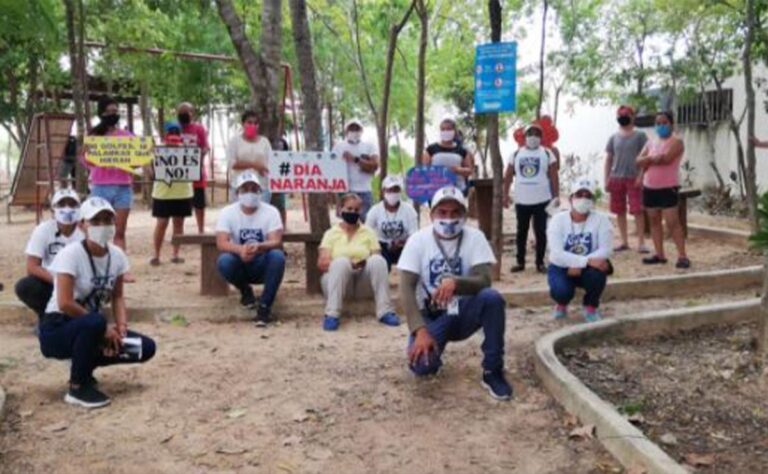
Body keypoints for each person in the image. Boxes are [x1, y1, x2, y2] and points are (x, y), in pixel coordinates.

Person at [39, 196, 156, 408]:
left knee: (144, 347)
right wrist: (104, 329)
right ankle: (77, 387)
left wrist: (121, 327)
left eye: (108, 220)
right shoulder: (70, 254)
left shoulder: (117, 256)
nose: (102, 226)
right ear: (82, 225)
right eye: (95, 221)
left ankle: (82, 364)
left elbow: (117, 296)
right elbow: (64, 302)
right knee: (95, 321)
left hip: (92, 328)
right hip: (58, 327)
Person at [398, 186, 512, 401]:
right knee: (422, 367)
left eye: (455, 213)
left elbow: (484, 279)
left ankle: (493, 370)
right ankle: (434, 351)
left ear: (464, 215)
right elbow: (405, 288)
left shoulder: (475, 237)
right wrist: (419, 330)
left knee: (492, 299)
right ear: (432, 214)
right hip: (431, 314)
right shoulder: (418, 240)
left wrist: (456, 283)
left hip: (462, 310)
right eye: (442, 212)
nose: (448, 219)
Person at [318, 193, 400, 331]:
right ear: (341, 209)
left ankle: (385, 311)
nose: (352, 212)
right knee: (341, 262)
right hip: (338, 282)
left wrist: (362, 263)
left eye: (356, 210)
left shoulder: (369, 232)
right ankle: (332, 314)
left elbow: (376, 259)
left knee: (378, 260)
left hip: (362, 281)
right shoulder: (331, 233)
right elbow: (322, 264)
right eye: (349, 209)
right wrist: (346, 264)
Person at [216, 170, 285, 327]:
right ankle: (245, 291)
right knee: (224, 261)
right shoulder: (227, 212)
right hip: (240, 261)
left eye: (254, 189)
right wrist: (240, 250)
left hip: (263, 261)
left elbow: (276, 241)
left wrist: (260, 246)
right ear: (237, 193)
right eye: (245, 189)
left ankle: (265, 307)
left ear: (260, 192)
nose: (250, 193)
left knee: (277, 257)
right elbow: (221, 242)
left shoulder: (271, 212)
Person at [547, 179, 613, 323]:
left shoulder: (602, 220)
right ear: (571, 198)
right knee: (561, 291)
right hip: (562, 266)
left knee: (599, 272)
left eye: (588, 195)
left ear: (593, 200)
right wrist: (583, 261)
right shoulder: (557, 220)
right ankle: (561, 304)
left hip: (589, 268)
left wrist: (581, 264)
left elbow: (606, 249)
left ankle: (590, 306)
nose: (583, 198)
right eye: (579, 194)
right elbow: (557, 253)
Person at [83, 96, 135, 281]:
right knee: (97, 230)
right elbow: (86, 161)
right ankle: (96, 268)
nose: (113, 114)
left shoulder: (127, 136)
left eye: (115, 111)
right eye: (109, 111)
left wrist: (135, 161)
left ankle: (122, 270)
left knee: (119, 232)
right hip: (100, 187)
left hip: (123, 188)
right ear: (101, 113)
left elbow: (136, 160)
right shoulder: (93, 136)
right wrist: (97, 158)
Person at [15, 189, 85, 317]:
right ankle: (47, 316)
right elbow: (32, 266)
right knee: (25, 286)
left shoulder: (86, 231)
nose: (67, 208)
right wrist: (59, 280)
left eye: (72, 204)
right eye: (61, 204)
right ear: (53, 210)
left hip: (80, 282)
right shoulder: (43, 230)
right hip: (52, 280)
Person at [503, 124, 559, 273]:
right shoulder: (516, 154)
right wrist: (505, 194)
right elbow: (507, 175)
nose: (533, 137)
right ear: (525, 137)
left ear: (541, 137)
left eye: (536, 134)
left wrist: (556, 196)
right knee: (521, 231)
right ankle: (520, 262)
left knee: (541, 231)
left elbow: (554, 175)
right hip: (522, 200)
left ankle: (540, 262)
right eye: (530, 134)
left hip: (542, 199)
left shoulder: (547, 153)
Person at [636, 111, 689, 268]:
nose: (661, 126)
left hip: (668, 187)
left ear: (671, 124)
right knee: (654, 221)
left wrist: (648, 160)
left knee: (673, 223)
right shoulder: (651, 142)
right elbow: (638, 160)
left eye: (664, 123)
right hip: (650, 187)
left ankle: (682, 256)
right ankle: (659, 254)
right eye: (658, 123)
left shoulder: (677, 142)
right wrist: (652, 159)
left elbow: (666, 159)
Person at [605, 105, 649, 253]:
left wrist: (641, 176)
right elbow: (609, 159)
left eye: (626, 114)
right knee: (619, 210)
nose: (623, 117)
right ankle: (624, 241)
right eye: (620, 114)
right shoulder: (613, 137)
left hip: (633, 178)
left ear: (632, 116)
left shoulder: (640, 136)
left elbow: (646, 158)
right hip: (616, 178)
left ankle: (641, 243)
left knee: (638, 210)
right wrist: (606, 179)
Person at [150, 122, 192, 266]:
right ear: (165, 134)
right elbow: (150, 169)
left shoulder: (187, 150)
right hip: (162, 193)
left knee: (178, 224)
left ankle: (176, 254)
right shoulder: (157, 150)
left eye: (176, 132)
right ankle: (156, 255)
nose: (173, 135)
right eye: (171, 132)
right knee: (162, 223)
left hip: (182, 193)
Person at [365, 175, 418, 271]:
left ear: (401, 191)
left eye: (396, 190)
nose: (393, 193)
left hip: (403, 245)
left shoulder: (409, 210)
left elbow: (414, 234)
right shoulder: (375, 210)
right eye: (389, 190)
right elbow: (367, 233)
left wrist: (403, 243)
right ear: (383, 191)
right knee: (380, 262)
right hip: (382, 246)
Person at [332, 120, 379, 221]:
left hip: (364, 190)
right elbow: (332, 169)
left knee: (366, 221)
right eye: (351, 129)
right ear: (346, 131)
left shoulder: (369, 146)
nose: (354, 131)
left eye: (357, 129)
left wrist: (355, 159)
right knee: (346, 222)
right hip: (345, 191)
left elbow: (375, 165)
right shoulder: (339, 147)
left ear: (361, 131)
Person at [226, 110, 273, 205]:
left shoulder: (265, 142)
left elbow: (271, 163)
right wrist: (254, 165)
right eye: (249, 122)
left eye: (255, 123)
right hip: (239, 187)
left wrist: (265, 169)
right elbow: (232, 163)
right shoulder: (234, 141)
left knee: (261, 214)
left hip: (262, 188)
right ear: (243, 124)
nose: (253, 125)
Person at [176, 102, 210, 233]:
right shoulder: (174, 128)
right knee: (179, 205)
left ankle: (201, 230)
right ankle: (179, 232)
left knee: (199, 205)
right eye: (181, 112)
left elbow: (205, 147)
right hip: (179, 175)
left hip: (197, 173)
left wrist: (198, 156)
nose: (183, 115)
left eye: (186, 112)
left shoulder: (199, 129)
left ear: (192, 113)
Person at [422, 118, 474, 195]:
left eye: (448, 129)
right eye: (443, 129)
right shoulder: (431, 149)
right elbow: (424, 170)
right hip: (436, 192)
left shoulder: (462, 151)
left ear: (454, 131)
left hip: (457, 190)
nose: (445, 132)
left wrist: (459, 170)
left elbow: (469, 170)